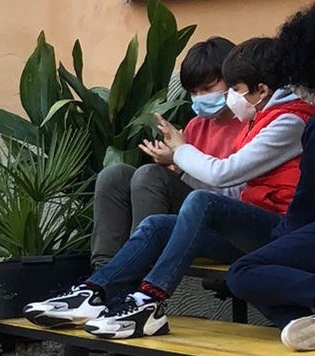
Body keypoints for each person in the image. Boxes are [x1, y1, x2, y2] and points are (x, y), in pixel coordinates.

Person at [25, 36, 315, 339]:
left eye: (236, 89)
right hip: (250, 225)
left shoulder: (290, 122)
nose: (230, 97)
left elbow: (224, 175)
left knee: (201, 201)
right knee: (156, 225)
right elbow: (236, 191)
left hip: (280, 232)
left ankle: (148, 300)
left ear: (261, 90)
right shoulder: (261, 118)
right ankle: (94, 291)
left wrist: (180, 152)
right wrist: (180, 163)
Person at [89, 37, 244, 267]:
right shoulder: (196, 125)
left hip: (225, 222)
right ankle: (102, 272)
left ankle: (135, 270)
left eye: (208, 89)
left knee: (150, 176)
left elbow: (232, 192)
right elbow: (186, 180)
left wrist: (180, 162)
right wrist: (172, 165)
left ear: (233, 82)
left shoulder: (251, 124)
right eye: (194, 91)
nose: (201, 98)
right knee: (115, 175)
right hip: (189, 208)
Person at [225, 4, 315, 350]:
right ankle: (308, 324)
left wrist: (280, 240)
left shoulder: (313, 125)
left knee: (245, 272)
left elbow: (308, 203)